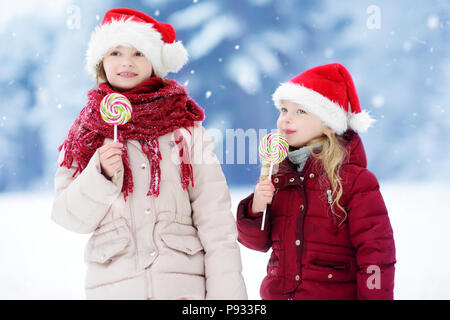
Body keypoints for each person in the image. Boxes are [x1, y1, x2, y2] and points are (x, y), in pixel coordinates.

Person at [51, 8, 247, 300]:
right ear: (101, 61)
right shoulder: (85, 133)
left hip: (181, 289)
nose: (126, 62)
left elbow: (216, 222)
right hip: (114, 290)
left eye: (139, 53)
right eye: (115, 52)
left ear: (154, 62)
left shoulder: (186, 129)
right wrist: (100, 174)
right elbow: (69, 217)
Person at [237, 63, 396, 300]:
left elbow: (377, 254)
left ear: (328, 123)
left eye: (300, 111)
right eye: (283, 110)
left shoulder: (355, 182)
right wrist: (257, 208)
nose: (286, 120)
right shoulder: (279, 175)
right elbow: (257, 243)